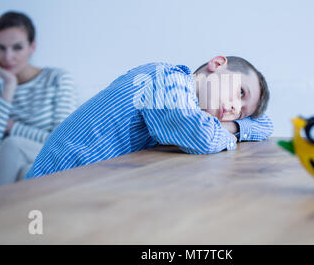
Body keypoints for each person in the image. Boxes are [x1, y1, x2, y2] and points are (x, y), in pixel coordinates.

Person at [25, 55, 273, 178]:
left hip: (83, 187)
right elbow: (201, 136)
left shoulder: (187, 97)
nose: (233, 109)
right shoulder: (169, 80)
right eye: (240, 92)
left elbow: (264, 124)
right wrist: (234, 129)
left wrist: (239, 126)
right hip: (50, 188)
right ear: (218, 63)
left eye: (241, 112)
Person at [0, 11, 78, 196]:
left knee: (12, 145)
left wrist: (11, 126)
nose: (8, 57)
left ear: (32, 47)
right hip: (9, 164)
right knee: (23, 169)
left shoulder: (57, 79)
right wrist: (9, 84)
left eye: (17, 47)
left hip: (49, 153)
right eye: (1, 47)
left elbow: (60, 139)